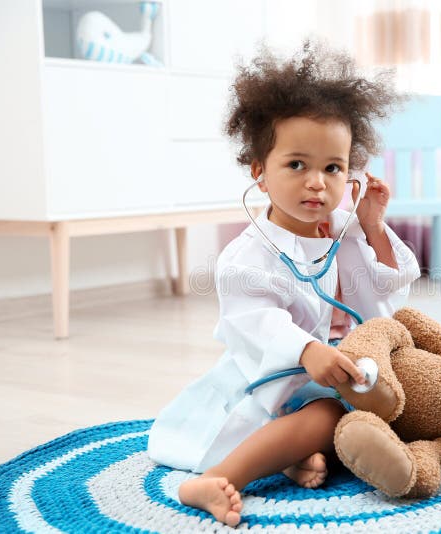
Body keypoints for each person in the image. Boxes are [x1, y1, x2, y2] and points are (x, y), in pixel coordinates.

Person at [147, 41, 421, 527]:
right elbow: (254, 321)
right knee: (331, 419)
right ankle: (215, 478)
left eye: (333, 168)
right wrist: (305, 351)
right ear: (260, 173)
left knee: (387, 409)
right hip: (271, 378)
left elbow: (381, 295)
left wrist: (375, 227)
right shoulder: (247, 256)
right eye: (297, 165)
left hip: (326, 371)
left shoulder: (342, 232)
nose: (318, 182)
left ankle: (295, 457)